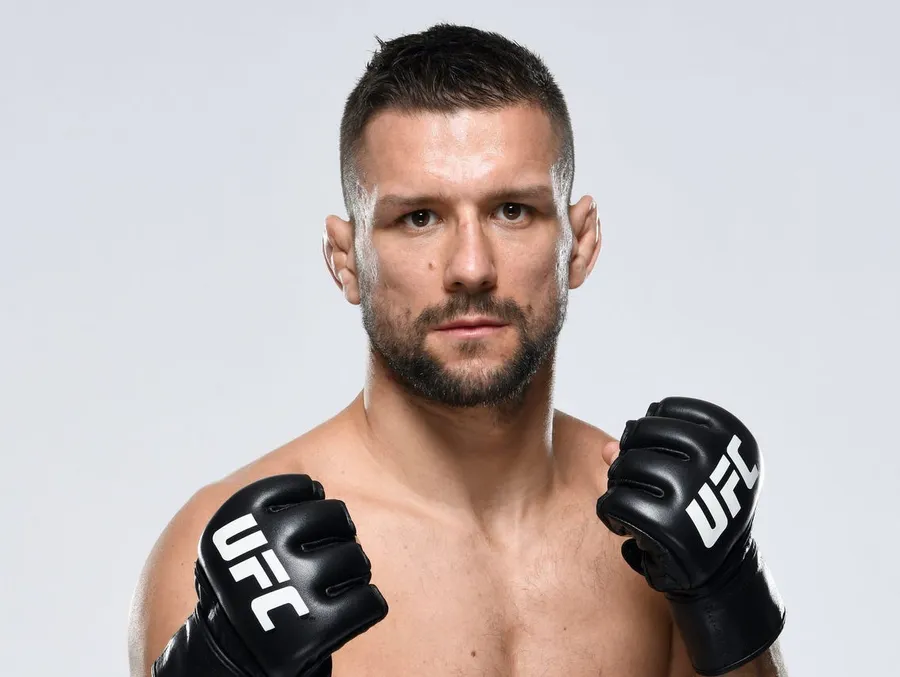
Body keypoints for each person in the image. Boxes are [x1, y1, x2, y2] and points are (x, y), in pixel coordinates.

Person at [128, 23, 787, 677]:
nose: (471, 268)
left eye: (512, 211)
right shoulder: (235, 560)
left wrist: (729, 594)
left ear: (579, 244)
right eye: (419, 218)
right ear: (346, 259)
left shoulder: (658, 535)